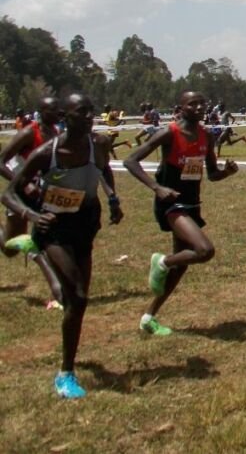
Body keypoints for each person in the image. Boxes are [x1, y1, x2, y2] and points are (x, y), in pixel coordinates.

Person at [1, 93, 122, 398]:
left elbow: (104, 168)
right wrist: (31, 214)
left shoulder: (99, 144)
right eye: (81, 112)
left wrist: (112, 197)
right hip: (53, 227)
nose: (89, 116)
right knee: (78, 297)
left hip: (85, 225)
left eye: (90, 111)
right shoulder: (46, 152)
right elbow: (8, 194)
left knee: (76, 301)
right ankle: (65, 373)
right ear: (67, 117)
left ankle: (69, 362)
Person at [123, 90, 238, 336]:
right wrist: (157, 187)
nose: (199, 107)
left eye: (202, 103)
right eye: (192, 104)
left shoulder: (206, 136)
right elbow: (130, 161)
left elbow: (212, 174)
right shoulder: (169, 133)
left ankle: (148, 317)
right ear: (181, 107)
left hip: (192, 203)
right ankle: (161, 261)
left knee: (182, 265)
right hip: (171, 203)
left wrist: (226, 172)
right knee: (204, 251)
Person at [0, 95, 64, 308]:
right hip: (19, 193)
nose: (58, 112)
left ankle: (58, 293)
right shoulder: (29, 132)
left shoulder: (56, 133)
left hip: (40, 195)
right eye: (53, 109)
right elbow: (1, 160)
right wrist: (22, 182)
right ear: (42, 112)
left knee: (48, 238)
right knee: (10, 249)